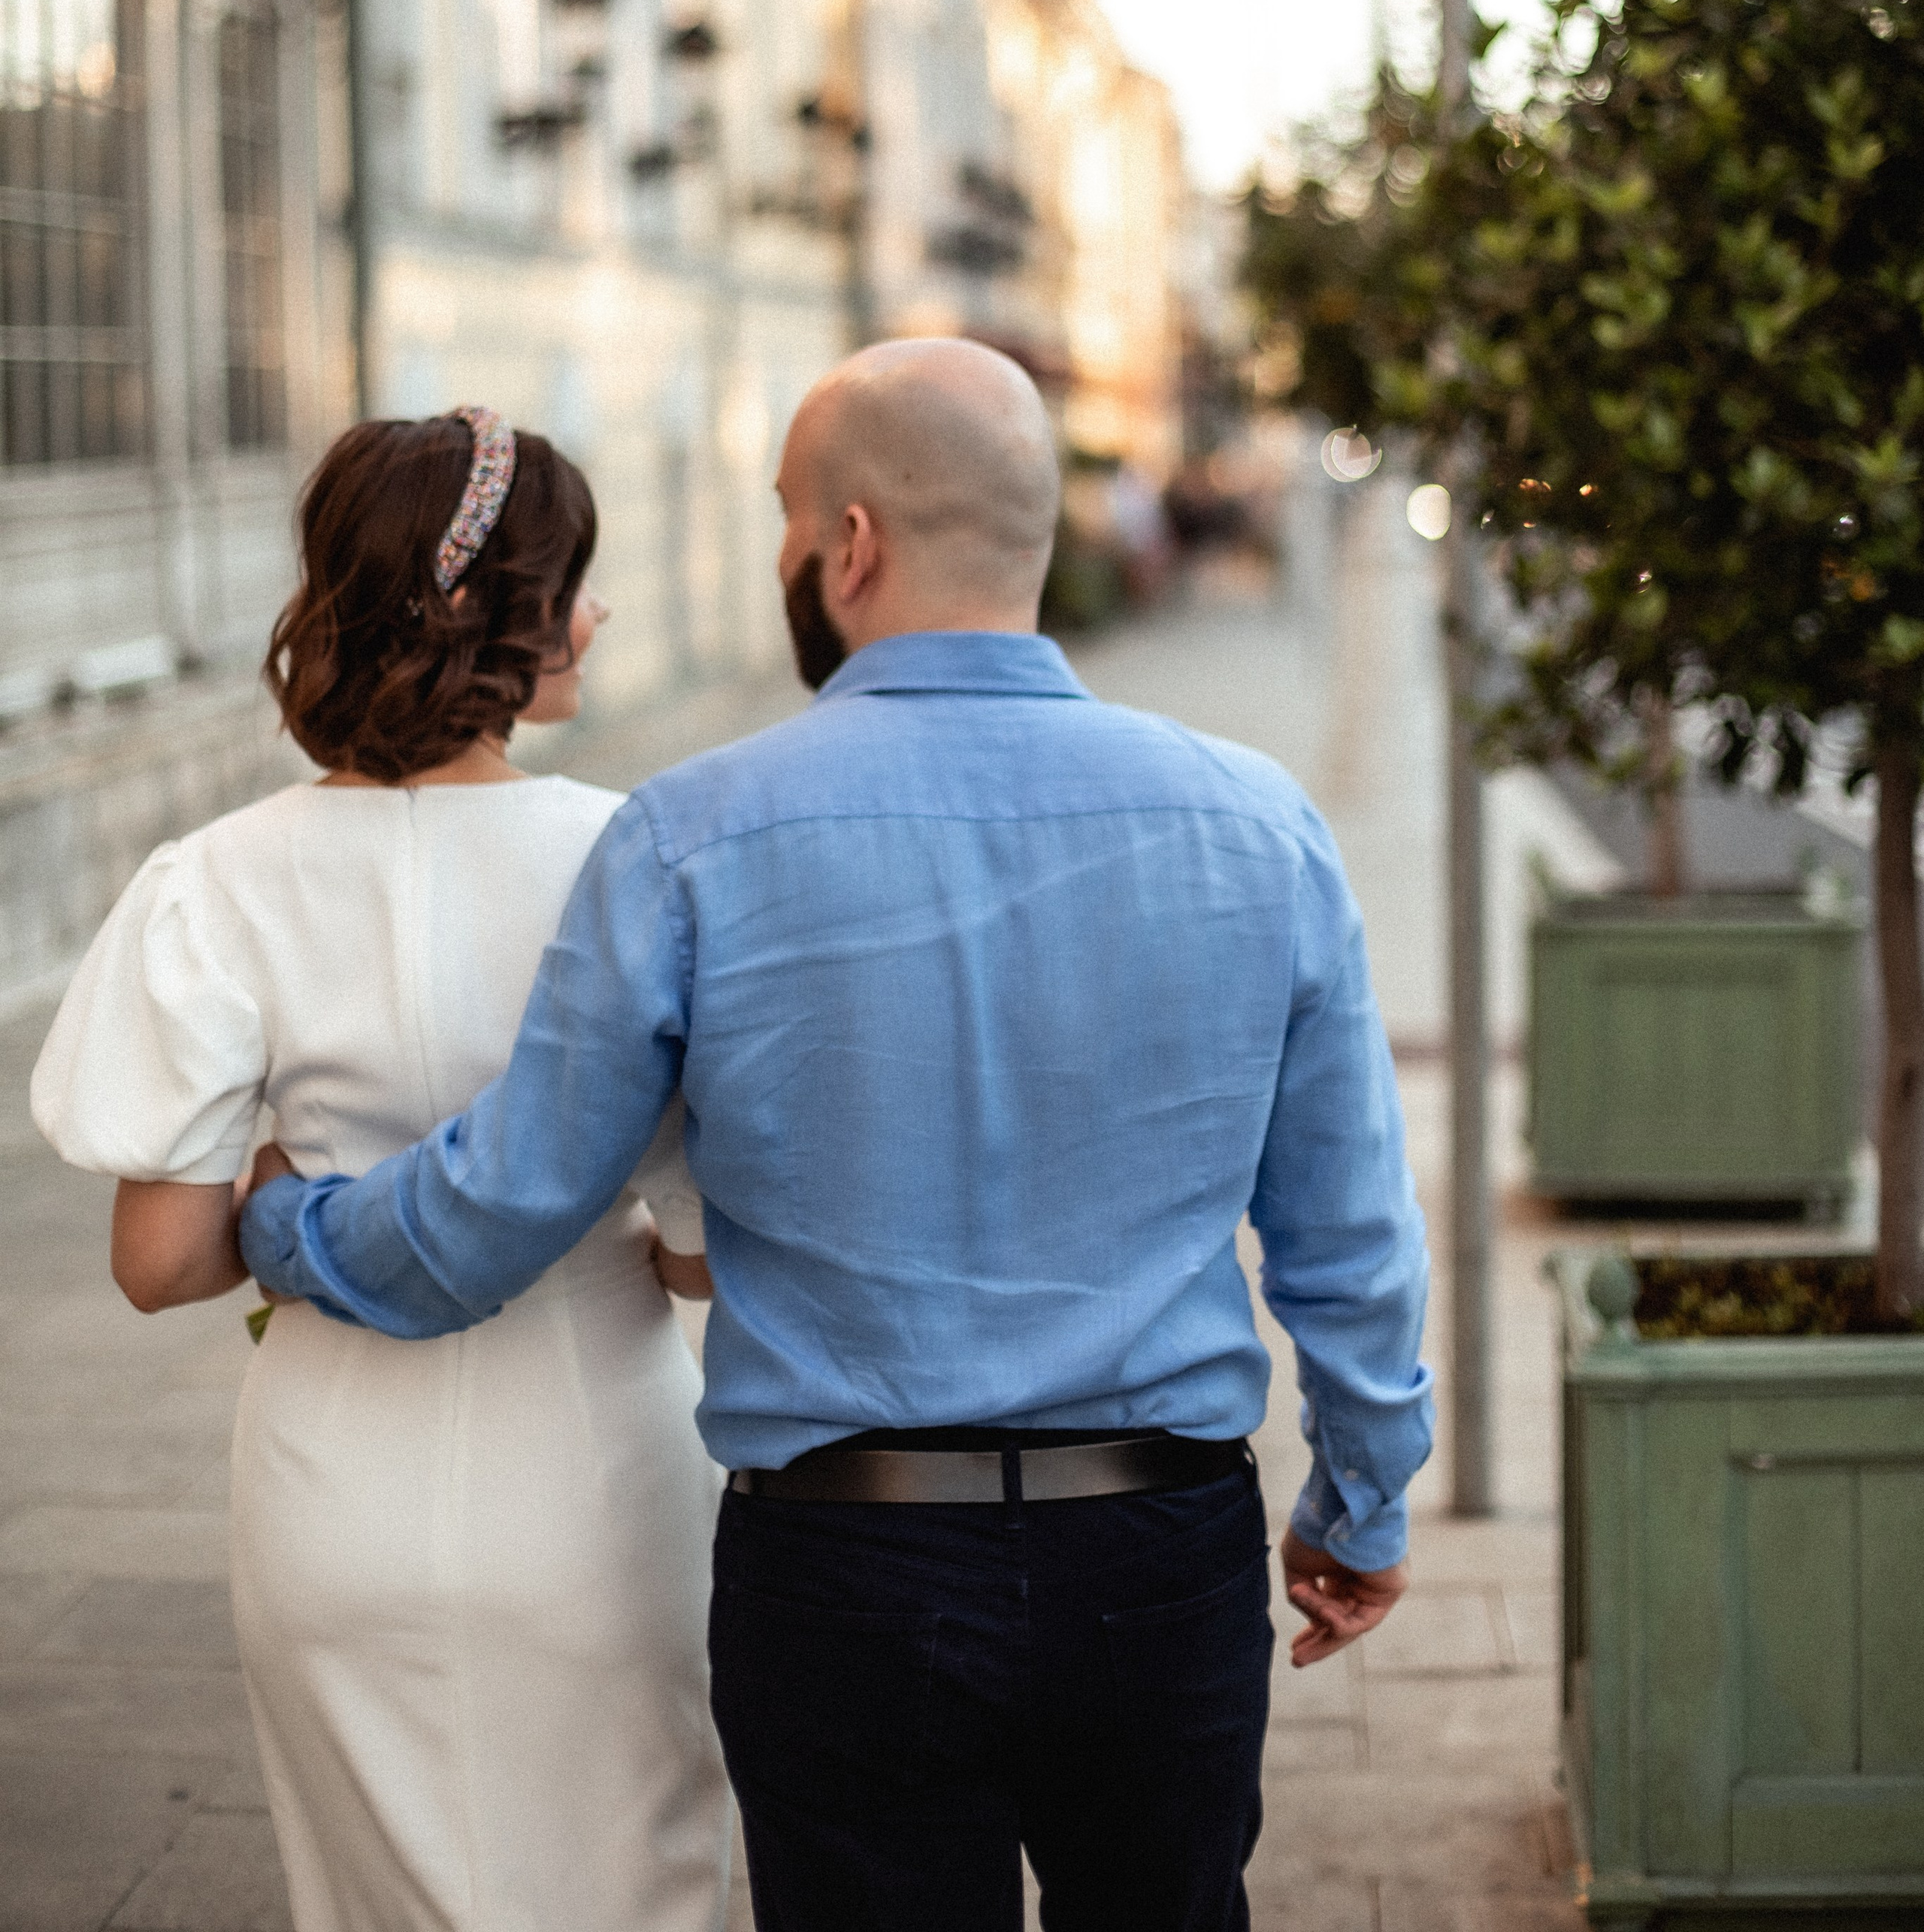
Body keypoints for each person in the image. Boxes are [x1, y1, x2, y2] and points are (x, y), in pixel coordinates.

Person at [241, 340, 1434, 1932]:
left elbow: (500, 1208)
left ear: (851, 547)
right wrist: (1359, 1502)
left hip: (844, 1576)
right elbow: (1349, 1240)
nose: (787, 559)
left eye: (791, 522)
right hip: (1158, 1560)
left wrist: (276, 1225)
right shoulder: (1254, 822)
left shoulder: (687, 836)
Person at [33, 410, 733, 1932]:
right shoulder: (634, 860)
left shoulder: (211, 881)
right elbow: (700, 1260)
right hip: (595, 1476)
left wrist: (279, 1193)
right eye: (578, 582)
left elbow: (157, 1263)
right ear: (510, 615)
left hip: (329, 1482)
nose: (598, 613)